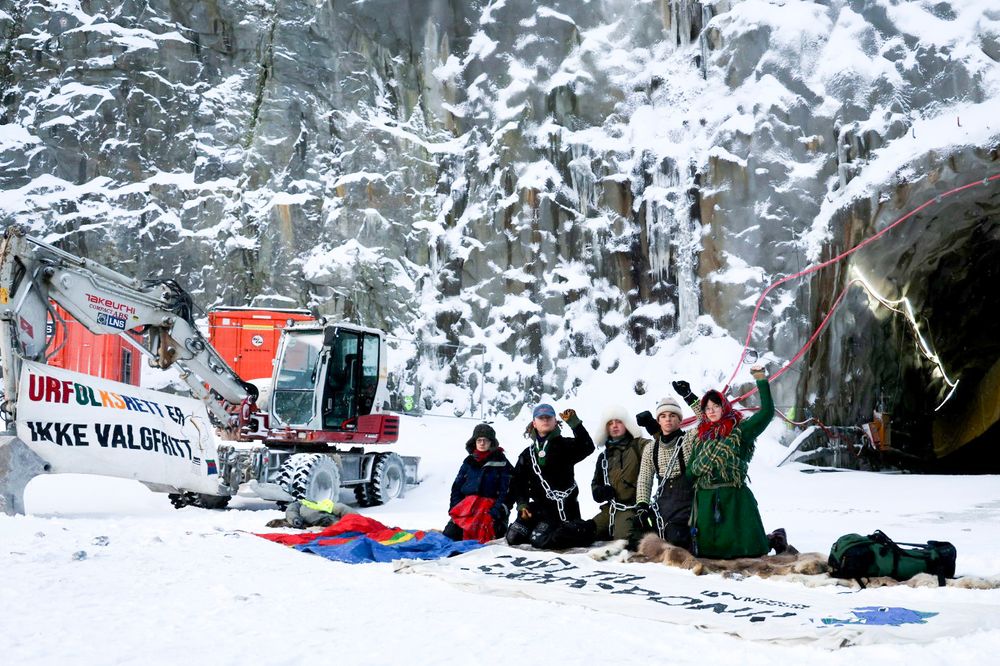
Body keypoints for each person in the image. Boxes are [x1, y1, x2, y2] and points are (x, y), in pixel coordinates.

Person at [684, 364, 784, 559]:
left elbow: (766, 413)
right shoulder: (701, 437)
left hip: (734, 500)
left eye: (716, 406)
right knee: (707, 553)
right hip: (705, 501)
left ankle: (775, 539)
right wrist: (698, 468)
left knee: (749, 551)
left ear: (724, 407)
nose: (712, 411)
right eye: (708, 408)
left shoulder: (739, 432)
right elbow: (689, 472)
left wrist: (760, 379)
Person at [507, 403, 596, 549]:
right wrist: (522, 504)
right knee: (513, 536)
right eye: (541, 418)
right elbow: (518, 482)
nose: (545, 420)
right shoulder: (527, 454)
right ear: (534, 423)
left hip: (563, 509)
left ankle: (583, 528)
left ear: (555, 421)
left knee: (540, 540)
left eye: (549, 417)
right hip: (538, 509)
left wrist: (575, 425)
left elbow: (587, 446)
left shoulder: (566, 446)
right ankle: (544, 529)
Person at [632, 383, 700, 550]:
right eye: (663, 416)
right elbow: (645, 478)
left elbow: (708, 420)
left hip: (687, 503)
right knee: (634, 539)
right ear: (658, 420)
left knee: (676, 539)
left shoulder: (689, 439)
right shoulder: (651, 448)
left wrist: (689, 396)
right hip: (662, 503)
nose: (668, 419)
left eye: (672, 415)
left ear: (679, 419)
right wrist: (642, 505)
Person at [443, 423, 514, 543]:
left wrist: (498, 511)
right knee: (449, 535)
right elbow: (457, 487)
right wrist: (456, 507)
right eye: (479, 440)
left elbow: (506, 491)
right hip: (467, 508)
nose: (482, 443)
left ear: (491, 443)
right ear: (474, 442)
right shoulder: (469, 461)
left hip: (491, 509)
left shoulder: (502, 462)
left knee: (488, 539)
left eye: (485, 440)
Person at [590, 406, 649, 542]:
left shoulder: (638, 446)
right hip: (609, 509)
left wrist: (652, 426)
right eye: (610, 423)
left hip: (631, 508)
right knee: (586, 531)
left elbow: (660, 448)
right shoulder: (604, 456)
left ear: (626, 424)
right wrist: (599, 492)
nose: (614, 426)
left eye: (619, 422)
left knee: (623, 540)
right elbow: (595, 483)